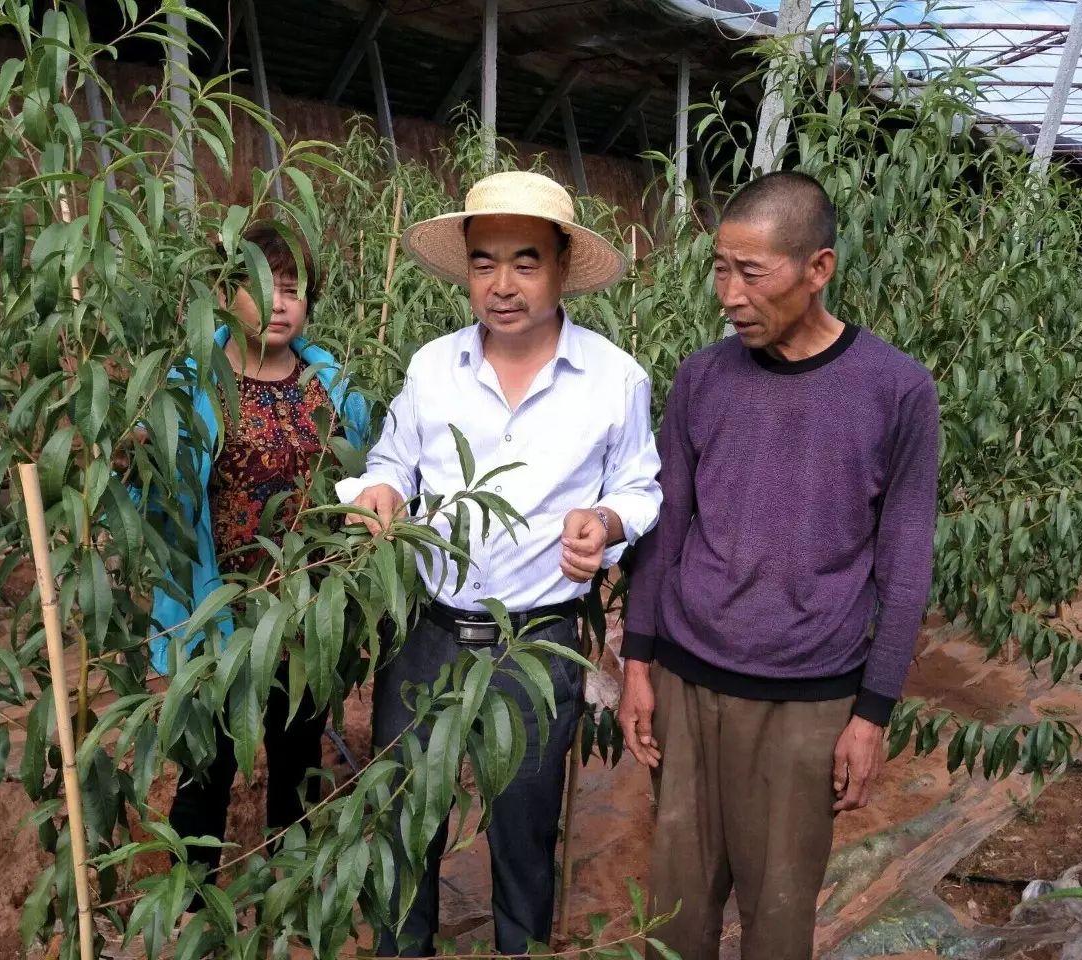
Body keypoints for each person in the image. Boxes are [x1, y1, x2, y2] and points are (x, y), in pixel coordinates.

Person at [336, 170, 663, 956]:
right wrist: (379, 492)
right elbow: (393, 460)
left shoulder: (615, 380)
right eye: (485, 262)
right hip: (431, 632)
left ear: (560, 267)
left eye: (525, 261)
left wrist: (608, 520)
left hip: (536, 642)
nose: (503, 284)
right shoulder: (432, 369)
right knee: (406, 814)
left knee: (524, 821)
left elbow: (640, 483)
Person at [620, 171, 940, 960]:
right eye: (720, 268)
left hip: (808, 701)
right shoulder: (702, 378)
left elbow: (904, 563)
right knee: (676, 915)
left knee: (779, 917)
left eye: (751, 273)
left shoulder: (896, 391)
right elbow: (666, 527)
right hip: (689, 683)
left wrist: (872, 713)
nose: (728, 293)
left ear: (818, 268)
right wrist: (638, 660)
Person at [143, 224, 369, 897]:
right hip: (216, 613)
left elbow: (364, 475)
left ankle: (288, 891)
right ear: (225, 292)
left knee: (297, 758)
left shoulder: (329, 382)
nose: (279, 304)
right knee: (203, 766)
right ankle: (193, 901)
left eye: (295, 291)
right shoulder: (191, 385)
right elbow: (154, 497)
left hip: (304, 617)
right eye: (262, 286)